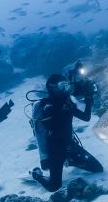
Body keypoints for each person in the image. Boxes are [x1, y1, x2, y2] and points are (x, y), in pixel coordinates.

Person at [30, 62, 103, 191]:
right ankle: (36, 175)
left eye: (66, 85)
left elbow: (86, 117)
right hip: (55, 150)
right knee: (54, 186)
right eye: (61, 85)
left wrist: (88, 97)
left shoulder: (67, 102)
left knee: (98, 169)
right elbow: (40, 134)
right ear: (52, 87)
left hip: (70, 146)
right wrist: (44, 158)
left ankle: (72, 160)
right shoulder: (45, 106)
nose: (65, 88)